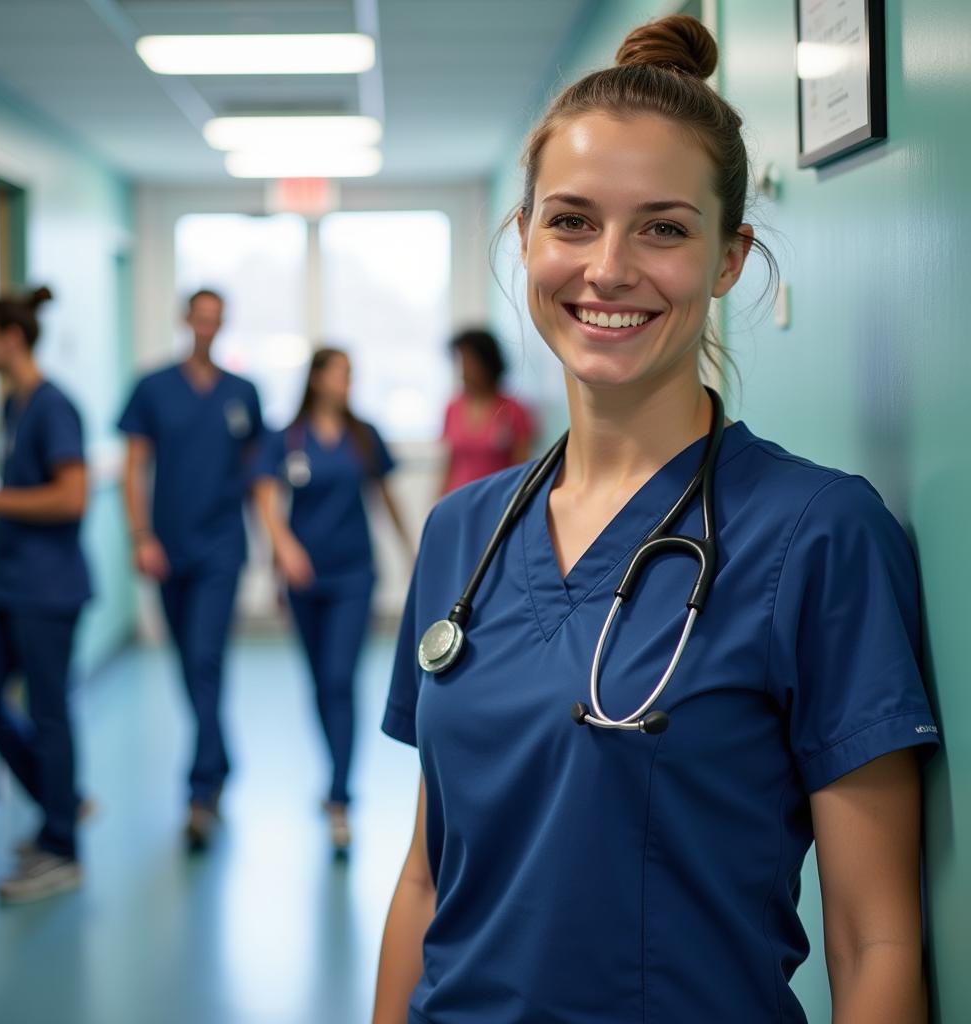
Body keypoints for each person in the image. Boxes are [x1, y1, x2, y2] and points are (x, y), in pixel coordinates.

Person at [373, 15, 938, 1024]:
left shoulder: (816, 534)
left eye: (665, 228)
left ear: (729, 257)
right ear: (525, 237)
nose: (609, 268)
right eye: (573, 221)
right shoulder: (462, 533)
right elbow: (425, 879)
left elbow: (875, 937)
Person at [0, 287, 91, 903]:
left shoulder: (56, 406)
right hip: (10, 586)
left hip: (48, 590)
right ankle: (62, 803)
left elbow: (72, 497)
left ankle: (61, 849)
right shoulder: (16, 406)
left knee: (48, 713)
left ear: (10, 338)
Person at [118, 288, 262, 851]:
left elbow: (259, 476)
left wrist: (275, 545)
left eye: (215, 320)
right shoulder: (152, 388)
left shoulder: (242, 393)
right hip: (168, 547)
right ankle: (220, 759)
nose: (207, 327)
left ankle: (201, 792)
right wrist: (140, 536)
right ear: (185, 321)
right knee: (189, 664)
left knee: (205, 658)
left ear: (222, 324)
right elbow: (134, 467)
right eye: (199, 318)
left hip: (222, 547)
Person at [253, 347, 410, 855]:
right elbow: (264, 497)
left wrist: (415, 550)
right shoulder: (287, 437)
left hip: (353, 576)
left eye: (350, 374)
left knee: (340, 678)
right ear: (317, 379)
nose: (347, 383)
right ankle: (334, 774)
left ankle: (340, 796)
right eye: (339, 374)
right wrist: (283, 549)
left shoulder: (363, 435)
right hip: (303, 579)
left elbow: (386, 495)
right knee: (321, 682)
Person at [440, 328, 534, 494]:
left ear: (486, 362)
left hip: (499, 501)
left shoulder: (513, 410)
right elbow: (449, 465)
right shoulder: (452, 408)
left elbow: (522, 468)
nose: (463, 369)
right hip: (458, 500)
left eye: (469, 362)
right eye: (460, 362)